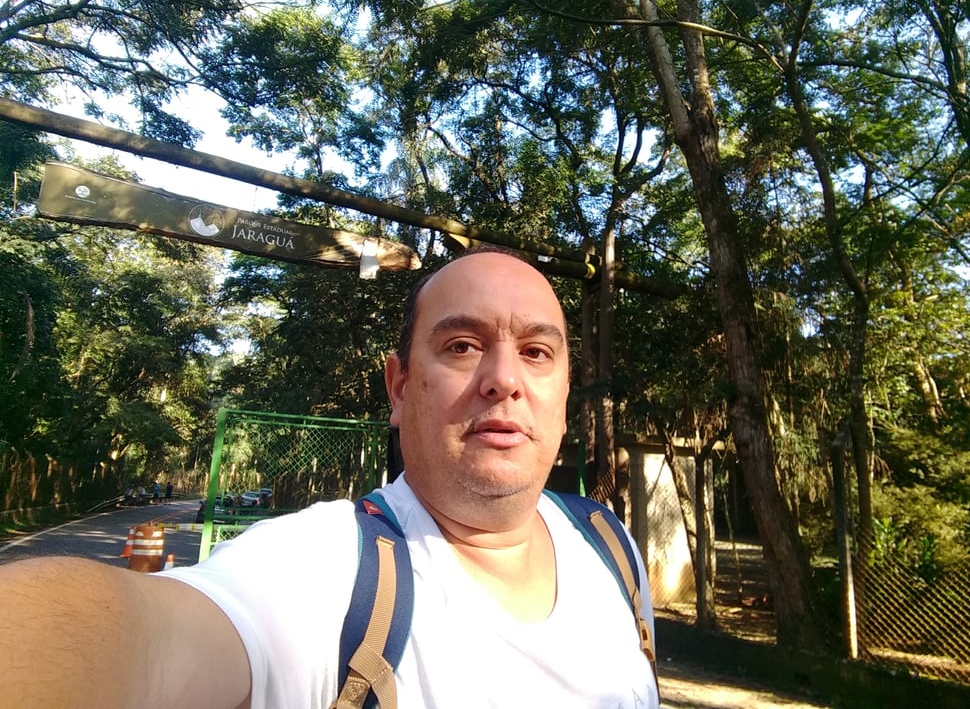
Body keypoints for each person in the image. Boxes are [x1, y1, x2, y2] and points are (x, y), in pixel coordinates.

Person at [0, 249, 658, 708]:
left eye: (537, 352)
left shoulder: (610, 546)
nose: (505, 379)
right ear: (399, 387)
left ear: (564, 393)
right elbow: (143, 644)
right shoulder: (329, 573)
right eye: (462, 346)